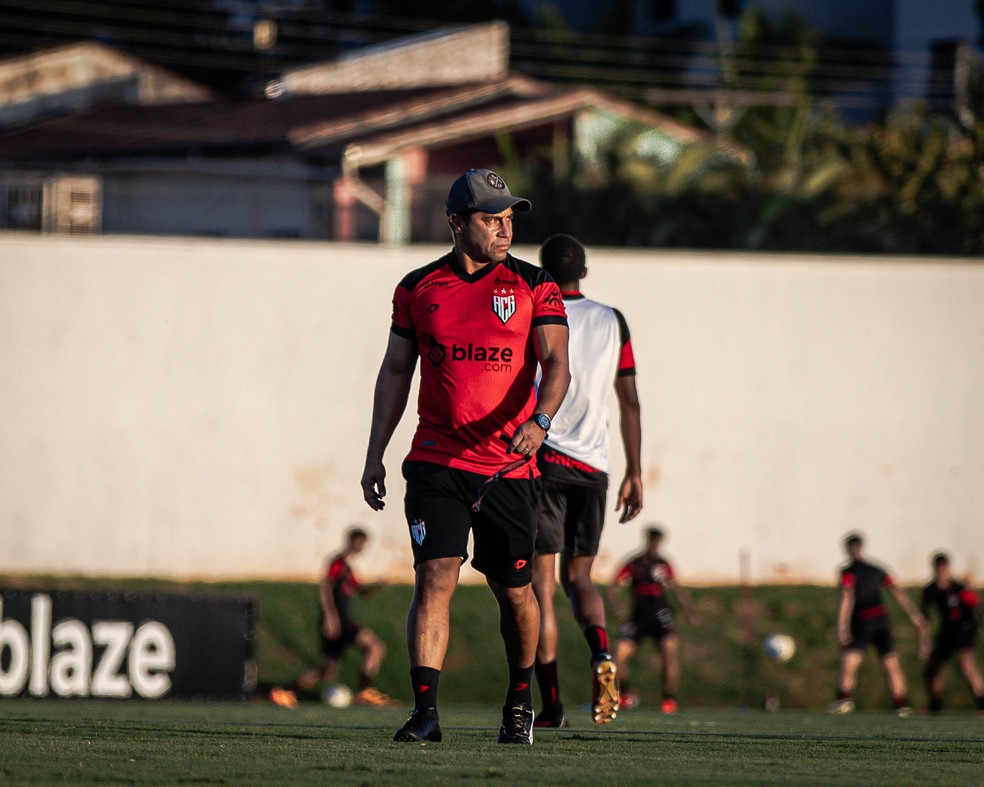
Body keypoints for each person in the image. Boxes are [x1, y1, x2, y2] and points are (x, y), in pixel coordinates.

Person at [360, 168, 570, 744]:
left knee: (515, 592)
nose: (504, 229)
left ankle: (520, 701)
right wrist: (375, 453)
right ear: (457, 223)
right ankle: (426, 714)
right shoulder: (417, 288)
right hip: (436, 461)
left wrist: (540, 421)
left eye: (508, 219)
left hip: (510, 467)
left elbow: (558, 366)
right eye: (490, 218)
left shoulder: (536, 285)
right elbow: (395, 373)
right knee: (434, 578)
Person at [529, 233, 643, 729]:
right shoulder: (613, 320)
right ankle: (601, 654)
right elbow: (630, 401)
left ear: (542, 271)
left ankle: (551, 705)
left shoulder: (536, 310)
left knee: (540, 588)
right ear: (586, 272)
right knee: (580, 577)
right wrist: (635, 471)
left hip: (544, 458)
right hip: (594, 468)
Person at [269, 527, 398, 708]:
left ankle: (286, 692)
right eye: (361, 543)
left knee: (327, 670)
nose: (362, 547)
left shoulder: (347, 568)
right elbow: (325, 587)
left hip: (340, 622)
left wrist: (376, 586)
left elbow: (360, 591)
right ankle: (364, 692)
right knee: (375, 647)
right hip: (340, 622)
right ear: (352, 541)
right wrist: (330, 617)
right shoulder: (337, 562)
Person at [828, 532, 928, 717]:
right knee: (890, 662)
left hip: (863, 622)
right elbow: (897, 592)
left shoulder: (848, 572)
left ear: (848, 549)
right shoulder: (877, 570)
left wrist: (842, 625)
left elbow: (847, 596)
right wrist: (914, 614)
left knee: (850, 660)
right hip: (882, 621)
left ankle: (843, 700)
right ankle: (901, 706)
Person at [607, 526, 696, 714]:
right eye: (653, 541)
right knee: (618, 655)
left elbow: (677, 588)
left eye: (658, 542)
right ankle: (626, 695)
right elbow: (613, 585)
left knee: (669, 655)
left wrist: (688, 611)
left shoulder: (664, 565)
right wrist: (616, 604)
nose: (656, 545)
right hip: (638, 616)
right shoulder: (634, 563)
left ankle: (669, 699)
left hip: (661, 615)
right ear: (647, 541)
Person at [920, 552, 984, 715]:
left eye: (944, 568)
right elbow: (924, 618)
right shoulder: (930, 590)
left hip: (965, 627)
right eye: (938, 568)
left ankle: (982, 703)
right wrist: (924, 641)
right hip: (947, 631)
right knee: (931, 668)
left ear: (948, 569)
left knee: (966, 665)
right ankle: (935, 704)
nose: (941, 572)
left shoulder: (959, 589)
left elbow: (979, 605)